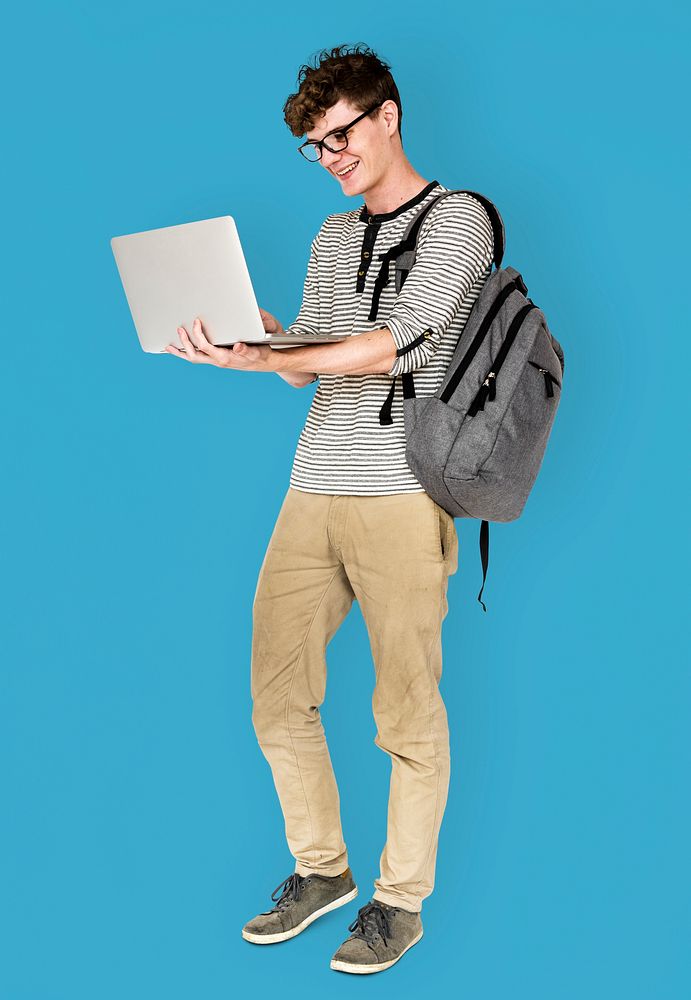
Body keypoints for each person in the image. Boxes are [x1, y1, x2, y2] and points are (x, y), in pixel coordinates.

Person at [164, 43, 494, 975]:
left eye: (342, 131)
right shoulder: (330, 236)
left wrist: (280, 355)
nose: (333, 153)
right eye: (316, 144)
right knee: (276, 696)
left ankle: (399, 902)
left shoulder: (457, 219)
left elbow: (398, 347)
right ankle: (323, 872)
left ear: (388, 115)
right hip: (313, 485)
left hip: (401, 496)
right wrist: (253, 338)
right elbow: (315, 357)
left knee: (405, 714)